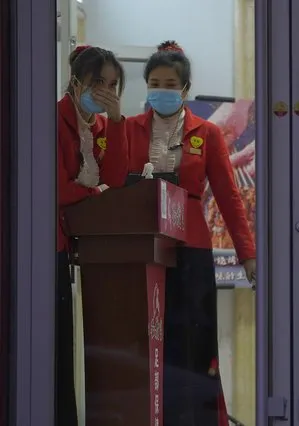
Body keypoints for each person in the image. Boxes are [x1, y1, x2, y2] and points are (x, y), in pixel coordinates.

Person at [126, 40, 256, 426]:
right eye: (154, 83)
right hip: (144, 252)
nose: (161, 90)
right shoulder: (129, 130)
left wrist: (248, 255)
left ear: (184, 89)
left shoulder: (209, 134)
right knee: (148, 348)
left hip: (194, 252)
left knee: (195, 348)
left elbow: (231, 199)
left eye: (169, 83)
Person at [57, 45, 127, 426]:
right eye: (97, 82)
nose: (104, 91)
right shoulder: (52, 118)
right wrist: (92, 193)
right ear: (76, 81)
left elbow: (115, 179)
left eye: (112, 85)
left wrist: (117, 122)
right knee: (54, 341)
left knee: (71, 341)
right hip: (51, 241)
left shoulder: (103, 126)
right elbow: (55, 188)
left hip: (85, 245)